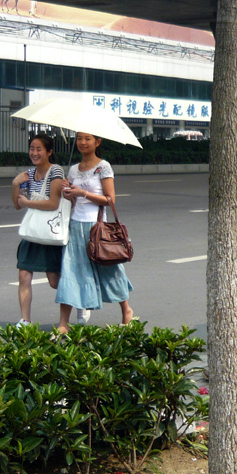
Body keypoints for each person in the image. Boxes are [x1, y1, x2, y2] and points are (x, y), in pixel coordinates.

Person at [54, 132, 135, 333]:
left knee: (109, 270)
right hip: (75, 225)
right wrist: (68, 191)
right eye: (79, 138)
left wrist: (83, 193)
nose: (82, 142)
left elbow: (110, 199)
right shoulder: (73, 169)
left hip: (96, 228)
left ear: (97, 142)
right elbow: (72, 201)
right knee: (70, 271)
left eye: (87, 138)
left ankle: (126, 310)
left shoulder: (103, 166)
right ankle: (63, 323)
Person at [11, 133, 64, 326]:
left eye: (39, 149)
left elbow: (52, 203)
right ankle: (25, 319)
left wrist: (28, 203)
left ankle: (78, 301)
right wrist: (15, 184)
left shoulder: (56, 171)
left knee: (54, 281)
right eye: (32, 148)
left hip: (49, 233)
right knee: (24, 274)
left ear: (49, 152)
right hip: (32, 231)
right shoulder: (28, 174)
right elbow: (18, 204)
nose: (34, 153)